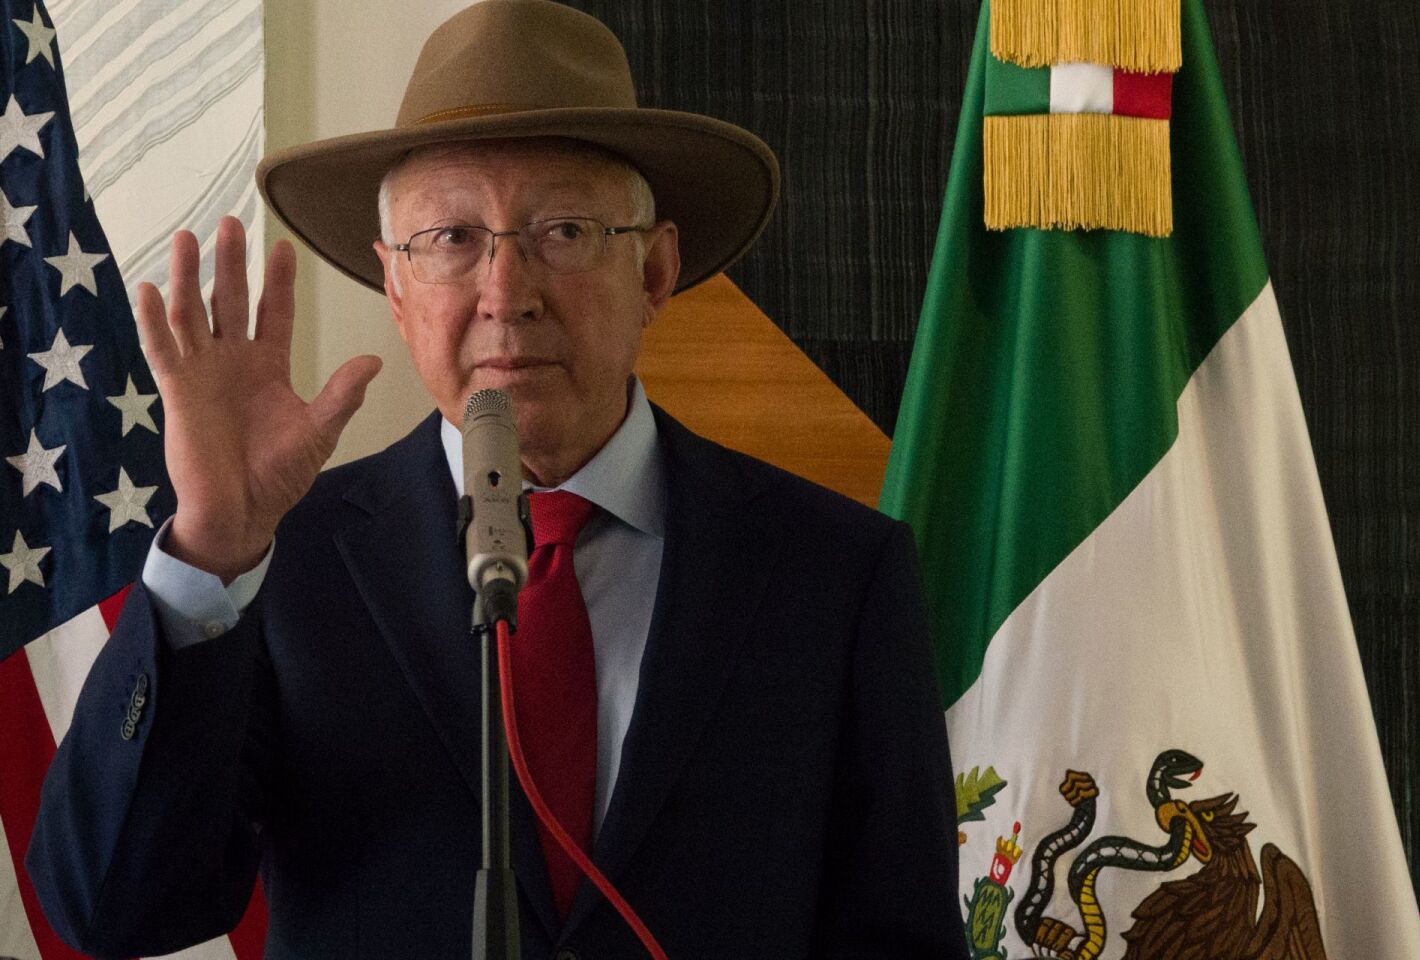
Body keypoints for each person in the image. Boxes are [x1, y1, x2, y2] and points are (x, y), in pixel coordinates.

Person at [27, 1, 965, 957]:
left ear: (654, 272)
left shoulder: (836, 574)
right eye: (450, 239)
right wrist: (210, 555)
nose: (506, 295)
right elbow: (110, 910)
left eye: (563, 230)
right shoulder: (279, 566)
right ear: (394, 287)